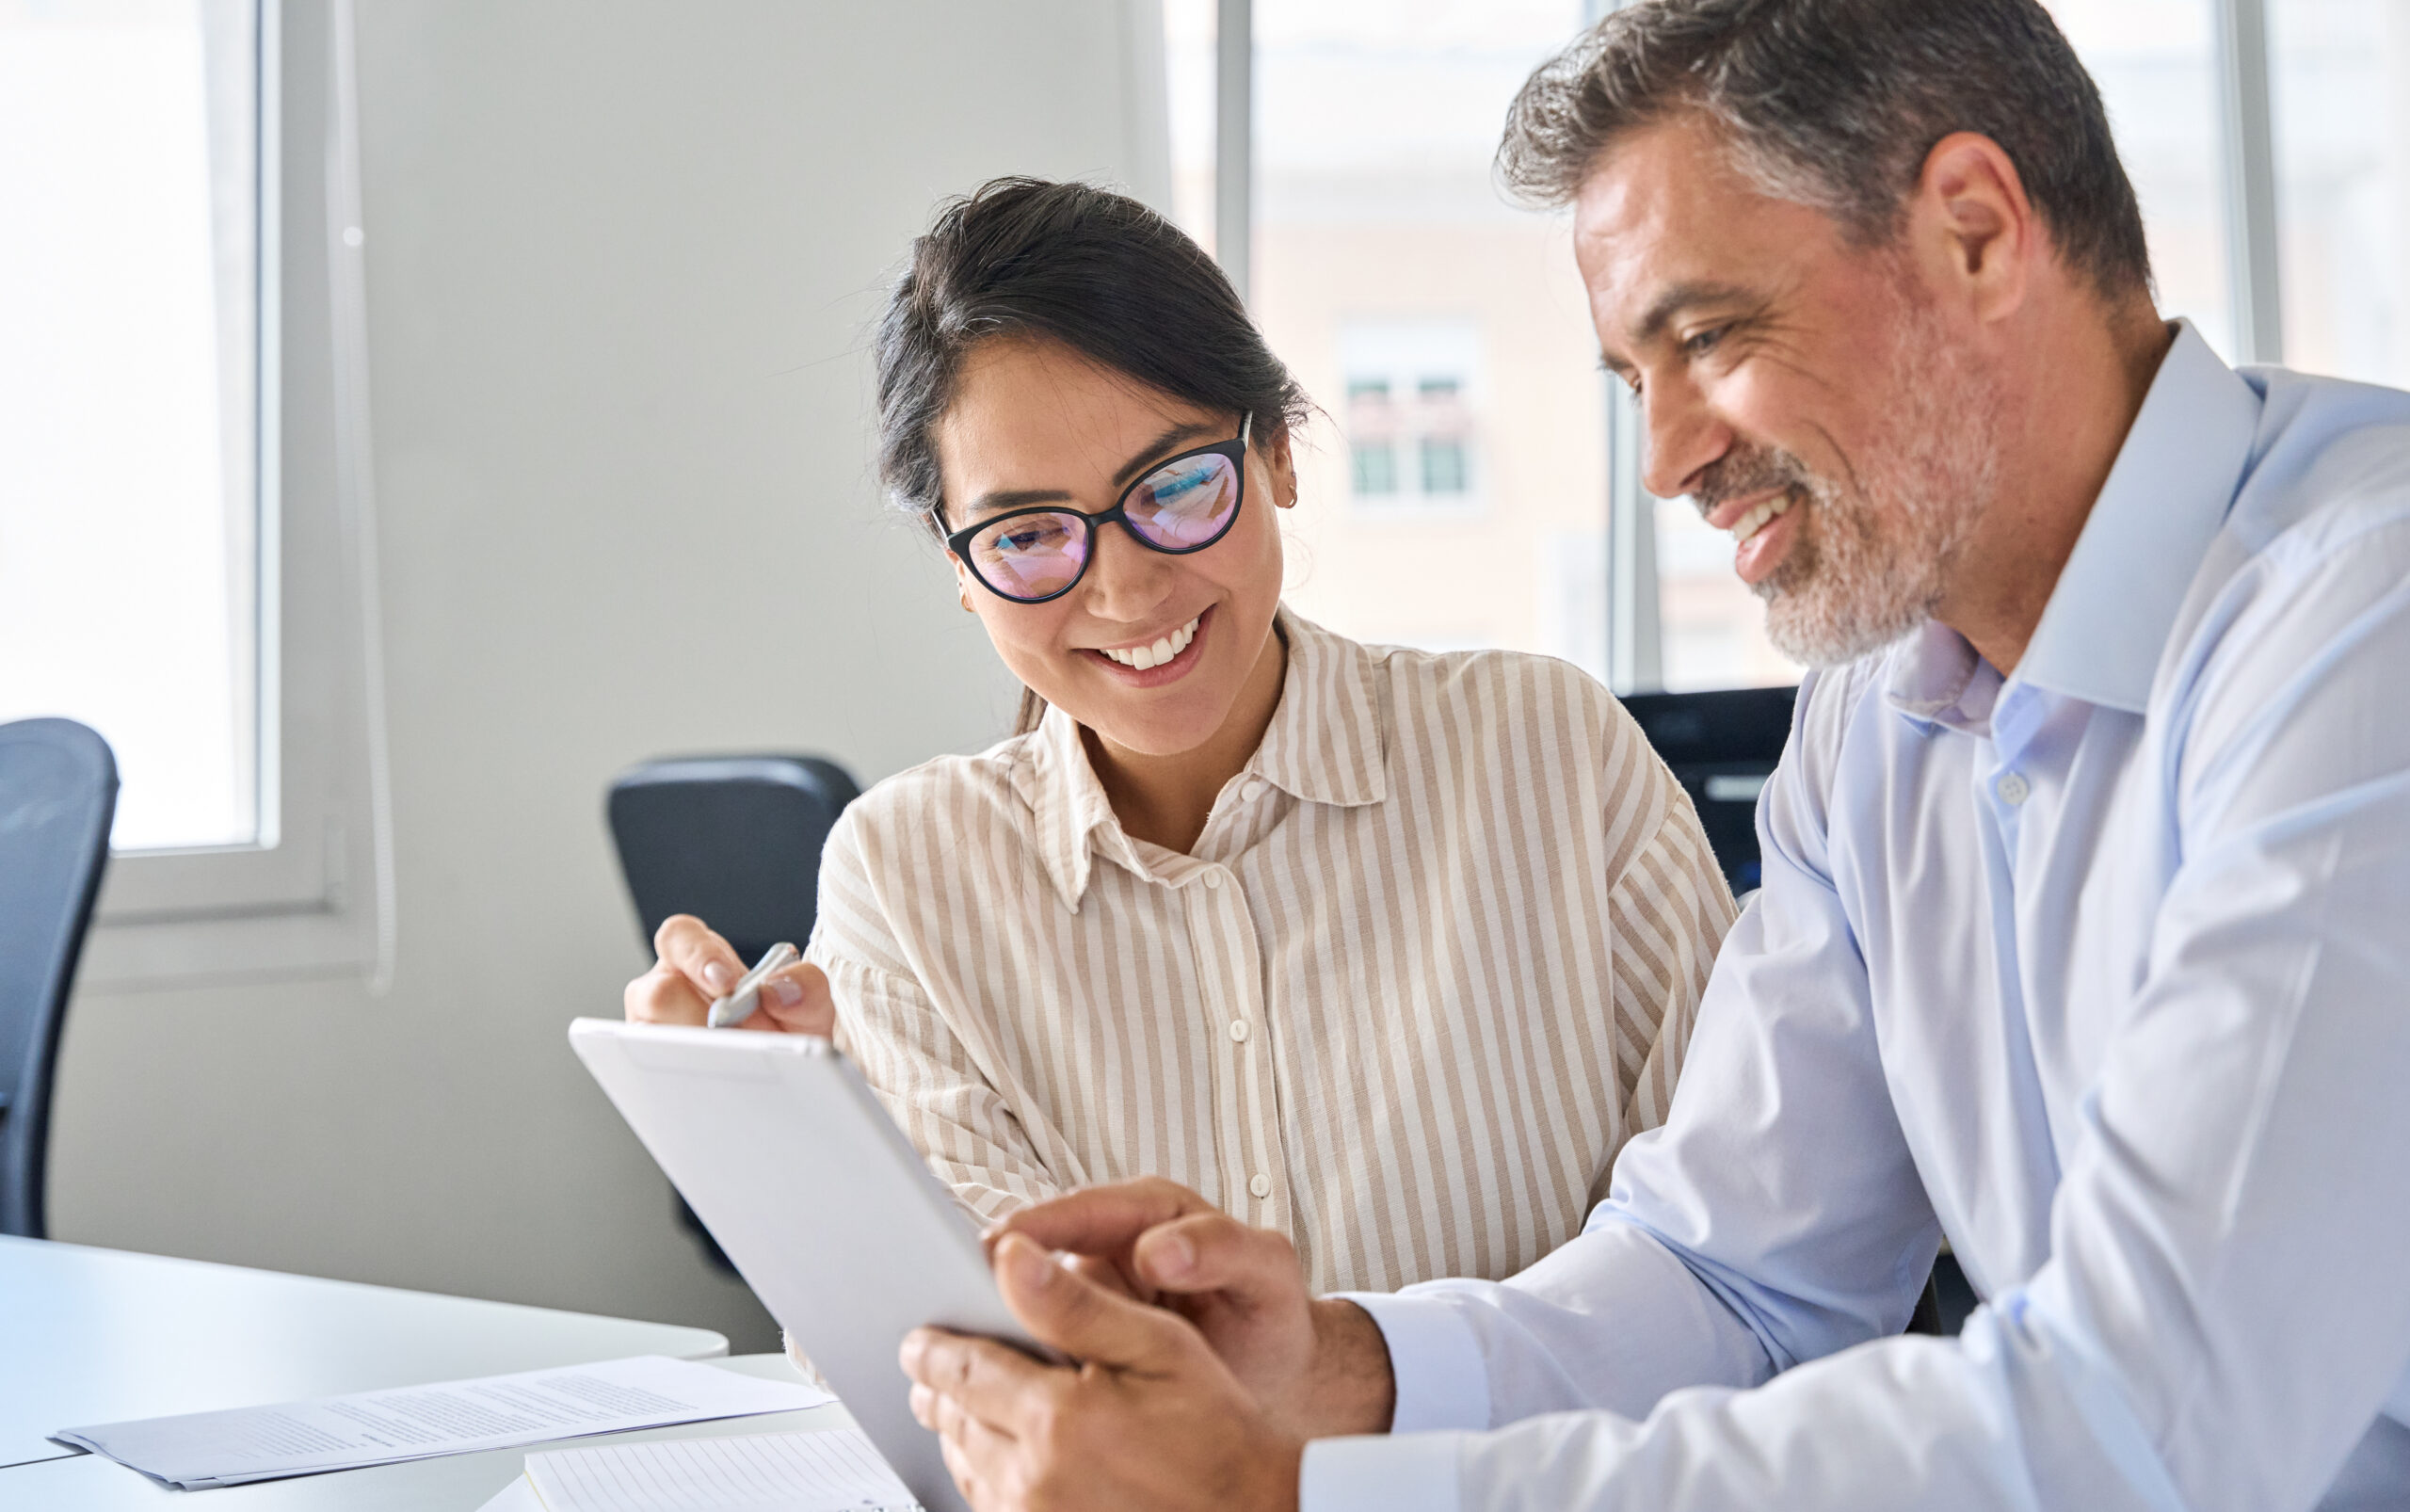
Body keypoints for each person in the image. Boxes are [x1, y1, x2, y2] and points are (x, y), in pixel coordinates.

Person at [894, 2, 2410, 1509]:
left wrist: (1296, 1497)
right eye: (1634, 378)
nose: (1668, 460)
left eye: (1710, 336)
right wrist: (1324, 1377)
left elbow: (2153, 1417)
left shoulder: (2364, 616)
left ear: (1974, 232)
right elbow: (1730, 1275)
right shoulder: (1876, 712)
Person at [624, 177, 1736, 1296]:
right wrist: (781, 1158)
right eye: (1026, 535)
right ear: (958, 565)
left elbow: (1736, 1257)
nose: (1123, 586)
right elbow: (982, 1362)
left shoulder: (1547, 755)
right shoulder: (906, 876)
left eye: (1175, 486)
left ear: (1280, 453)